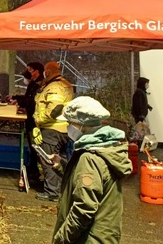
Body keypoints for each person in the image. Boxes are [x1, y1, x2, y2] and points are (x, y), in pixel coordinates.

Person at [49, 96, 132, 244]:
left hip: (90, 239)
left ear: (81, 125)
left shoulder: (89, 157)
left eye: (69, 123)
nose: (67, 127)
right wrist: (61, 165)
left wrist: (61, 238)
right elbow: (93, 181)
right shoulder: (107, 147)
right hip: (104, 235)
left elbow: (84, 208)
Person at [33, 61, 74, 201]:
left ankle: (51, 192)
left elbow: (53, 110)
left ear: (48, 72)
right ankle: (61, 188)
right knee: (60, 160)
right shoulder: (65, 84)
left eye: (45, 71)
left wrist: (38, 121)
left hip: (52, 128)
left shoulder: (54, 87)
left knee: (47, 159)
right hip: (64, 129)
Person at [10, 61, 45, 183]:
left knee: (35, 145)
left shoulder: (39, 85)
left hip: (35, 119)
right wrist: (17, 99)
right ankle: (33, 170)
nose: (28, 72)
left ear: (37, 71)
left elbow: (31, 100)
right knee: (32, 145)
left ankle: (34, 172)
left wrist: (18, 101)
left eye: (30, 70)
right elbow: (27, 98)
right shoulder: (34, 83)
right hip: (31, 117)